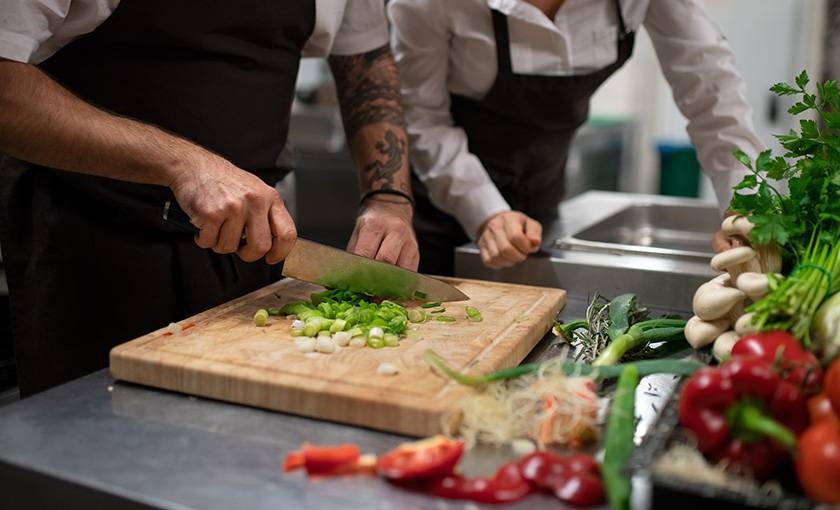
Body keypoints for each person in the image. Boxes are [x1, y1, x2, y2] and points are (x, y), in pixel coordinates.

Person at [0, 0, 419, 396]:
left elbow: (366, 63)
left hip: (249, 251)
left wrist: (389, 196)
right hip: (90, 246)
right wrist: (184, 164)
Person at [388, 0, 764, 276]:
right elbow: (422, 118)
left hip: (543, 202)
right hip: (440, 210)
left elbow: (712, 91)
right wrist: (484, 211)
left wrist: (742, 205)